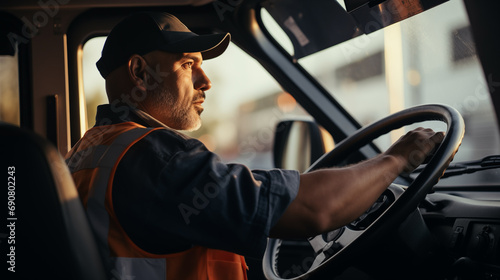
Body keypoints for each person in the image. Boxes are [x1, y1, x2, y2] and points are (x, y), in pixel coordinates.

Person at [65, 12, 443, 280]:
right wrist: (397, 157)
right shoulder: (153, 159)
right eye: (187, 64)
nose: (206, 80)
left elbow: (243, 189)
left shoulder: (88, 152)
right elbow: (314, 211)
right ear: (140, 73)